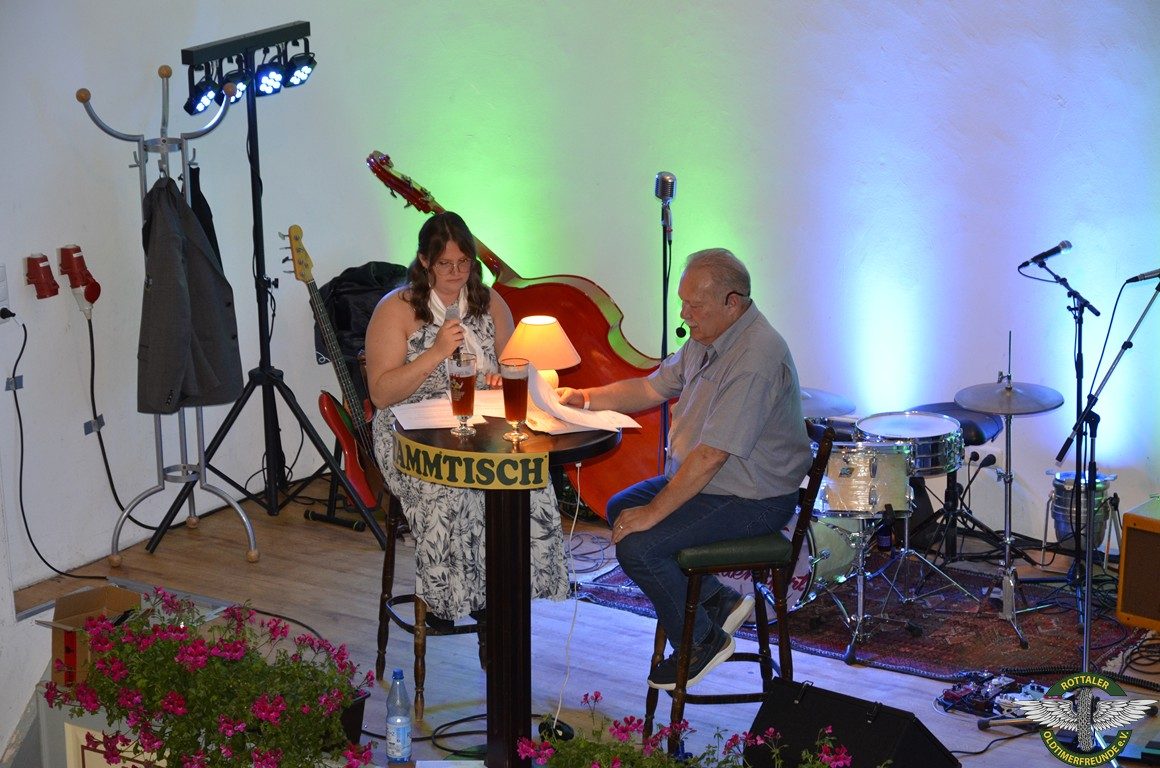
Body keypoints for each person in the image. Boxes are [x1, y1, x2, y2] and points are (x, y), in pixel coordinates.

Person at [558, 248, 813, 690]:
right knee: (620, 507)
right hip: (719, 485)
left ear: (733, 303)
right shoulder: (709, 337)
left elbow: (711, 455)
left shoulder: (756, 358)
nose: (684, 314)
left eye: (695, 305)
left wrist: (653, 512)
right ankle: (716, 600)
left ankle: (701, 641)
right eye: (683, 302)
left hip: (753, 498)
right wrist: (585, 398)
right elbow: (652, 387)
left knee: (638, 546)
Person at [365, 211, 569, 623]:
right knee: (451, 488)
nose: (456, 273)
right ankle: (451, 599)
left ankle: (503, 598)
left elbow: (518, 365)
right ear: (424, 261)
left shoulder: (489, 302)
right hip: (409, 429)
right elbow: (382, 394)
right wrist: (436, 353)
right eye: (445, 264)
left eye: (464, 263)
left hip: (479, 422)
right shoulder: (397, 308)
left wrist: (502, 375)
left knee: (525, 477)